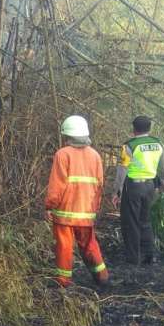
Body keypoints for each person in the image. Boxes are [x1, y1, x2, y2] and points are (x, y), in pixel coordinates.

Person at [44, 115, 108, 288]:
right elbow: (99, 185)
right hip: (86, 211)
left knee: (65, 246)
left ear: (67, 135)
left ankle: (63, 282)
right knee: (89, 244)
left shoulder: (62, 154)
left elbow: (56, 184)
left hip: (64, 212)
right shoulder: (95, 155)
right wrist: (95, 207)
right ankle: (102, 276)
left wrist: (49, 206)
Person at [110, 115, 164, 265]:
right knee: (146, 221)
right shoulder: (158, 144)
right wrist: (163, 186)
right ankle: (150, 255)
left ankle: (133, 258)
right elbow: (163, 168)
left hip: (133, 187)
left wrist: (116, 192)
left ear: (134, 129)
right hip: (150, 187)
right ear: (149, 128)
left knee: (131, 222)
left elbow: (122, 171)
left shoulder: (129, 146)